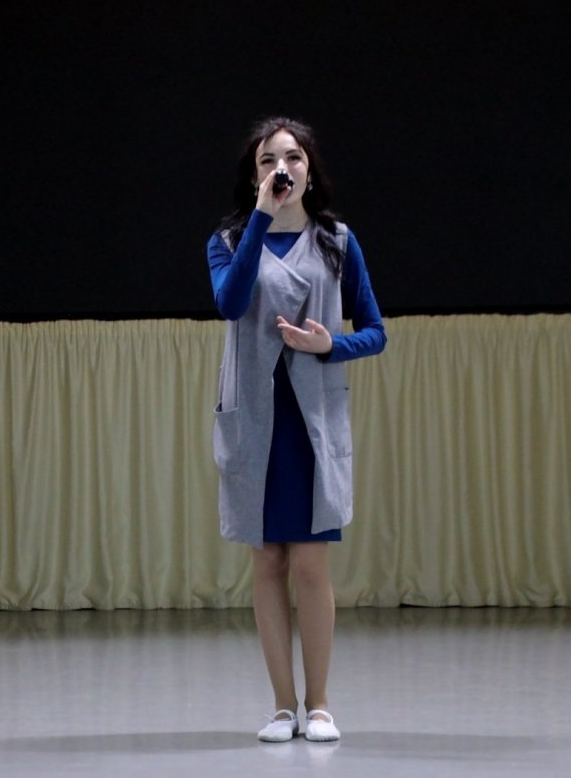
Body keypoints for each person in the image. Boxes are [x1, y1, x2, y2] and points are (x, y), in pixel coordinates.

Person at [206, 117, 387, 743]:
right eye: (267, 160)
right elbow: (230, 303)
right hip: (257, 418)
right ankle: (283, 706)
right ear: (254, 176)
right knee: (268, 561)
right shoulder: (229, 240)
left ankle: (321, 704)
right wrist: (261, 216)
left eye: (292, 157)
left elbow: (376, 332)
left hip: (313, 419)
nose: (280, 168)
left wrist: (329, 344)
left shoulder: (337, 241)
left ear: (310, 171)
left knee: (311, 563)